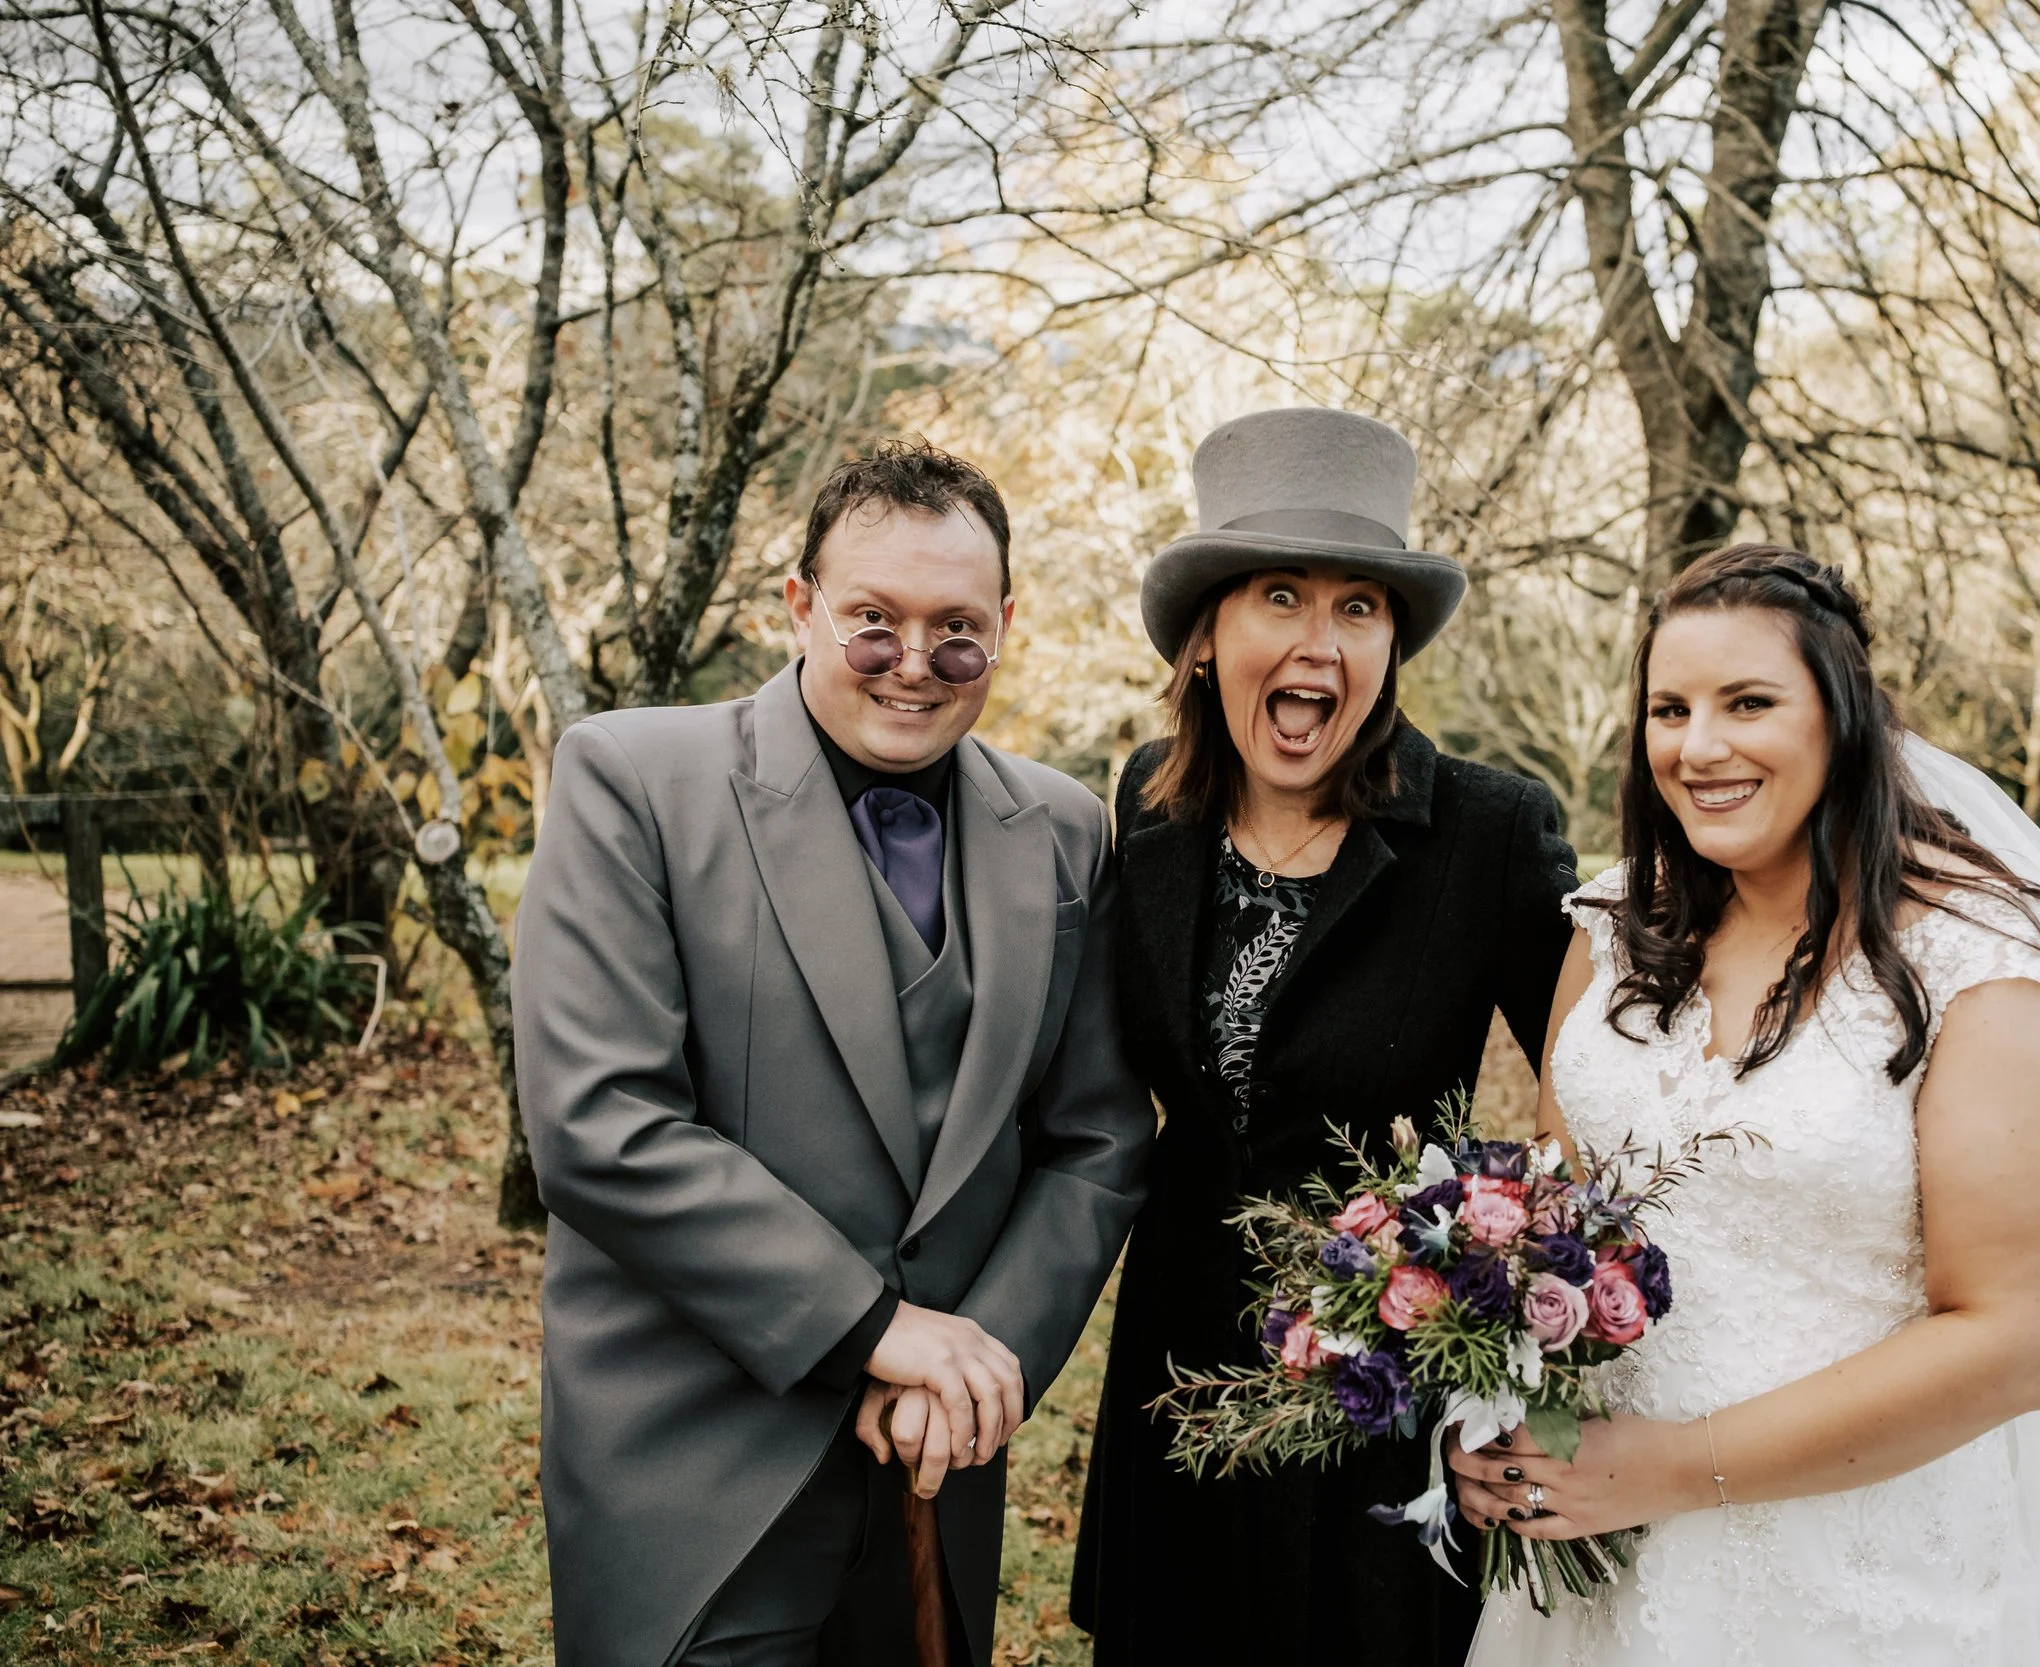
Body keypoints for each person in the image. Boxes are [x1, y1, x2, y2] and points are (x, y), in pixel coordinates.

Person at [1452, 544, 2040, 1667]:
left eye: (1747, 702)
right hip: (1593, 1545)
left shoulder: (1986, 974)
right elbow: (1559, 1205)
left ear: (1844, 717)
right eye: (1670, 708)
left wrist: (1673, 1463)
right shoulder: (1616, 924)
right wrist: (1499, 1408)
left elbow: (2015, 1341)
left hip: (1853, 1573)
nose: (1697, 746)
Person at [514, 440, 1155, 1667]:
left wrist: (971, 1364)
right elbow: (601, 1123)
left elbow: (1099, 1136)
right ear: (800, 605)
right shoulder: (632, 779)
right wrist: (872, 1325)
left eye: (956, 629)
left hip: (931, 1464)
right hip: (696, 1462)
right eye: (873, 620)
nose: (915, 665)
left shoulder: (1067, 829)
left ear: (1006, 624)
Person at [1071, 407, 1584, 1667]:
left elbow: (1594, 1087)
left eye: (1359, 607)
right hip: (1178, 1368)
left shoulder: (1488, 831)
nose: (1319, 641)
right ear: (1205, 636)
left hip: (1379, 1388)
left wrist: (1508, 1316)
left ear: (1392, 642)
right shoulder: (1144, 809)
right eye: (1280, 596)